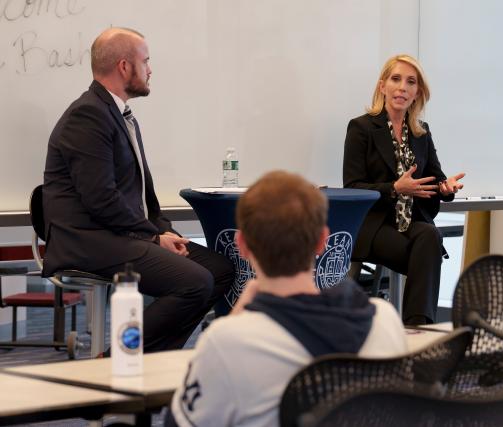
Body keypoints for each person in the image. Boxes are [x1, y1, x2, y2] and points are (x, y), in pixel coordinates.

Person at [42, 27, 234, 352]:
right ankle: (118, 357)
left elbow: (140, 197)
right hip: (89, 241)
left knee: (219, 270)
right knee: (195, 282)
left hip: (120, 234)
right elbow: (101, 199)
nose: (150, 69)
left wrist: (164, 231)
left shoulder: (116, 114)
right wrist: (153, 237)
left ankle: (149, 358)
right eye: (145, 61)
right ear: (124, 66)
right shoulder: (88, 115)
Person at [166, 171, 407, 427]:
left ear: (242, 245)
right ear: (322, 240)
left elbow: (179, 421)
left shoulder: (228, 341)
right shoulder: (384, 319)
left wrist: (234, 319)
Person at [343, 54, 465, 326]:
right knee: (429, 248)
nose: (402, 87)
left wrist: (446, 188)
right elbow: (352, 188)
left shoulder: (421, 133)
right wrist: (395, 188)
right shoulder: (361, 128)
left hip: (410, 224)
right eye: (396, 79)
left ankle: (415, 327)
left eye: (411, 82)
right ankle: (420, 329)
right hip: (374, 226)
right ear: (382, 85)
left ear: (417, 93)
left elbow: (435, 179)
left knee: (429, 236)